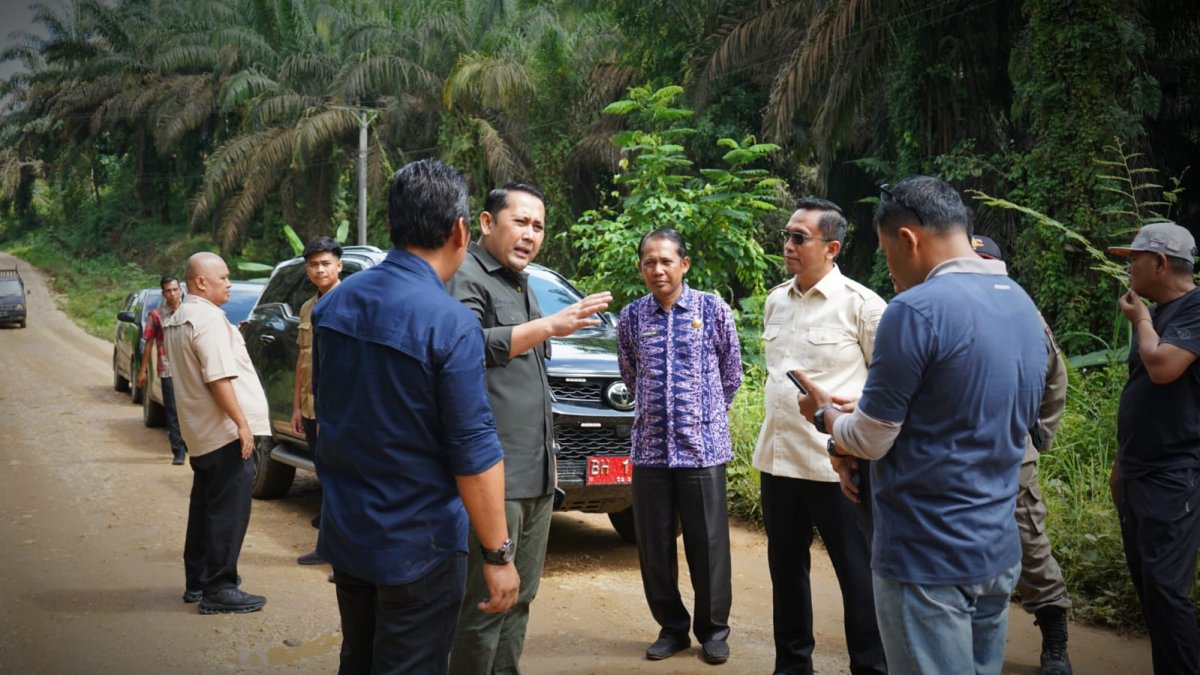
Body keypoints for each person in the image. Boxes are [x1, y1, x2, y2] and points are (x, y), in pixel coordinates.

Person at [792, 176, 1048, 675]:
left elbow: (871, 437)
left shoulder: (915, 309)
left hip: (926, 558)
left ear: (908, 239)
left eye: (888, 254)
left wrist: (827, 416)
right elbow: (968, 409)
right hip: (996, 549)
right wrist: (865, 409)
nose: (890, 271)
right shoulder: (1020, 301)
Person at [311, 159, 519, 674]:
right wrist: (498, 556)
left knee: (358, 658)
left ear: (390, 226)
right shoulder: (449, 324)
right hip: (418, 547)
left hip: (350, 533)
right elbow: (474, 453)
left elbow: (330, 413)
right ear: (461, 231)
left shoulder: (334, 306)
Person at [446, 183, 611, 674]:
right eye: (520, 222)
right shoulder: (466, 276)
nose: (530, 234)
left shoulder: (523, 282)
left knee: (520, 597)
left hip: (538, 472)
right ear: (486, 222)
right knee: (486, 602)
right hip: (494, 476)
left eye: (538, 226)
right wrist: (549, 327)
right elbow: (466, 347)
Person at [753, 198, 887, 675]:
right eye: (786, 235)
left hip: (839, 466)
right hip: (779, 461)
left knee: (859, 577)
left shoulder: (864, 306)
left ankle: (871, 668)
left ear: (831, 248)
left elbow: (887, 389)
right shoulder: (775, 300)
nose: (787, 245)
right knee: (786, 575)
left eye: (798, 238)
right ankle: (792, 667)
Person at [616, 228, 743, 666]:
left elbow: (732, 371)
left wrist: (704, 414)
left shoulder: (711, 308)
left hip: (702, 449)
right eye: (649, 262)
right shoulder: (631, 317)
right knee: (654, 546)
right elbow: (630, 372)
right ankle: (672, 628)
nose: (658, 269)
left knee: (708, 545)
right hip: (650, 449)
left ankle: (713, 630)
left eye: (666, 261)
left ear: (684, 264)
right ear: (641, 268)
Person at [973, 234, 1073, 675]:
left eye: (983, 262)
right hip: (957, 453)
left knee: (1029, 542)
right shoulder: (946, 307)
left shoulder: (1022, 312)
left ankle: (1055, 642)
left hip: (1014, 454)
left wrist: (1038, 436)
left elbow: (1056, 377)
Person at [1107, 221, 1200, 675]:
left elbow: (1163, 367)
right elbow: (1142, 388)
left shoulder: (1196, 309)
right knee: (1149, 585)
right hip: (1139, 471)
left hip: (1173, 473)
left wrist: (1141, 320)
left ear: (1160, 263)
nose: (1128, 268)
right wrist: (1120, 464)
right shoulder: (1162, 313)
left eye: (1134, 260)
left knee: (1166, 588)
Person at [162, 253, 270, 614]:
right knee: (228, 512)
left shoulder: (181, 318)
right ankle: (220, 588)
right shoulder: (206, 319)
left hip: (202, 435)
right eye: (223, 277)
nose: (229, 283)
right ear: (200, 283)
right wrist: (242, 424)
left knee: (205, 508)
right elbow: (218, 378)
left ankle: (198, 581)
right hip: (223, 434)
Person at [291, 236, 343, 567]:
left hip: (337, 412)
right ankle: (330, 543)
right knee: (323, 477)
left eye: (326, 263)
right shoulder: (308, 307)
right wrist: (297, 406)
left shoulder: (352, 300)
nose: (319, 269)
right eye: (313, 264)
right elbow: (303, 357)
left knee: (340, 481)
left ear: (340, 265)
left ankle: (337, 552)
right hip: (311, 408)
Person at [137, 274, 188, 465]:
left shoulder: (189, 312)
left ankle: (191, 443)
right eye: (168, 290)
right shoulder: (156, 315)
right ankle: (178, 450)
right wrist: (143, 371)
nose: (173, 294)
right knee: (172, 411)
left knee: (190, 408)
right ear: (163, 293)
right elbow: (148, 342)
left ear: (181, 290)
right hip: (167, 368)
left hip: (189, 368)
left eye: (175, 289)